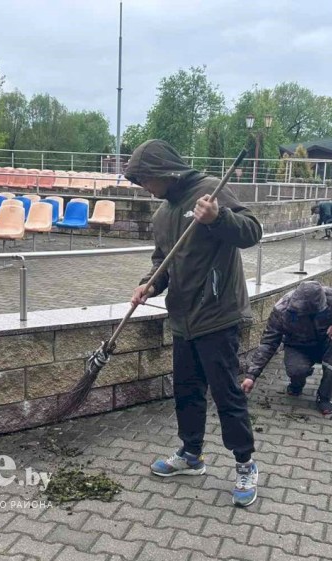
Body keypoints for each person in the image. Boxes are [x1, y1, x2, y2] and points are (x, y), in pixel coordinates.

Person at [126, 139, 263, 508]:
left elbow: (252, 232)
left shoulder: (209, 191)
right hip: (183, 318)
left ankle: (245, 463)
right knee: (186, 391)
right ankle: (191, 455)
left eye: (146, 180)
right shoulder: (163, 215)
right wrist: (150, 284)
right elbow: (163, 263)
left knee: (226, 394)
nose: (145, 189)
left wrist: (218, 218)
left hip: (218, 314)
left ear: (163, 172)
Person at [242, 281, 332, 415]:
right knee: (296, 370)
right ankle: (296, 384)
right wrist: (251, 375)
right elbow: (268, 343)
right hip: (298, 346)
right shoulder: (282, 309)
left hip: (326, 342)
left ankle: (324, 396)